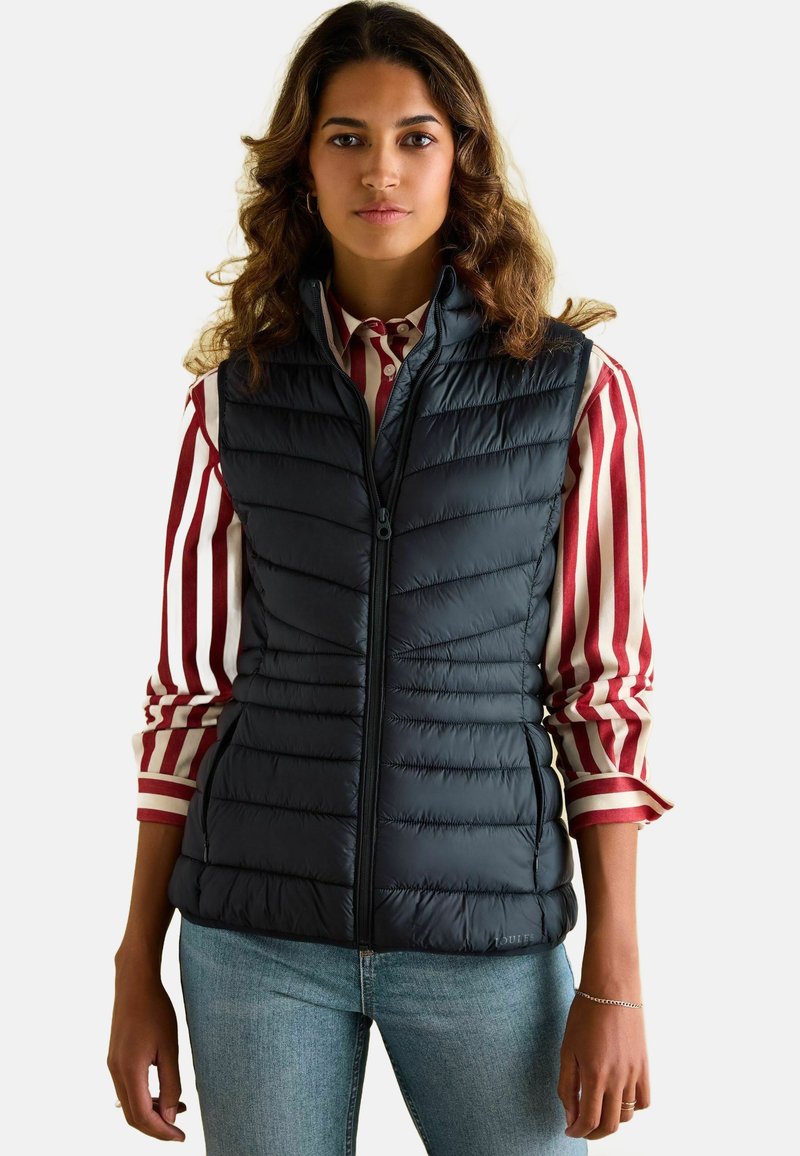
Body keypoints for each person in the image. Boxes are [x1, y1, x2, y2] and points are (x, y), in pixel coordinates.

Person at [107, 4, 676, 1153]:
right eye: (345, 138)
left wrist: (612, 976)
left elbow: (599, 692)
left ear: (461, 158)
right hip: (253, 939)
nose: (381, 169)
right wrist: (134, 964)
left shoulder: (572, 390)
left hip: (486, 938)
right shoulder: (231, 399)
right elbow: (190, 697)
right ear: (300, 166)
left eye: (415, 137)